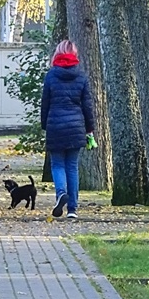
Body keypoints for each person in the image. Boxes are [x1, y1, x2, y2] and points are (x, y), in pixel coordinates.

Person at [41, 40, 94, 219]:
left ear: (58, 53)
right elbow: (87, 105)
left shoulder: (51, 76)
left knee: (57, 164)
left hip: (55, 124)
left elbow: (45, 103)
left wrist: (44, 125)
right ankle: (72, 209)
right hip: (76, 125)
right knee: (72, 167)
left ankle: (61, 193)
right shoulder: (81, 76)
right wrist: (89, 128)